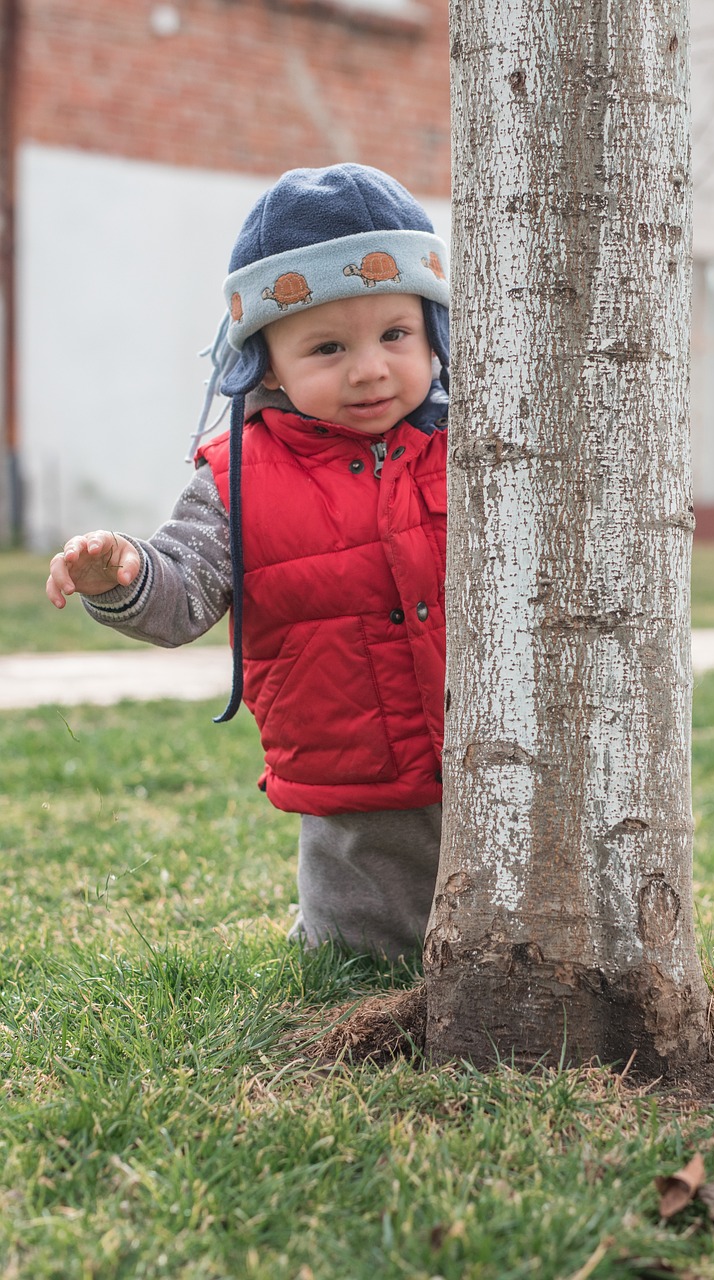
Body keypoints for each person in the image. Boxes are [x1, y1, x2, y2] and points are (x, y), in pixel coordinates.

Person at [46, 164, 450, 958]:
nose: (369, 368)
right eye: (327, 347)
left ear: (433, 329)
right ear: (263, 364)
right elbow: (184, 589)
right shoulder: (238, 476)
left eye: (395, 335)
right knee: (360, 953)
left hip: (497, 760)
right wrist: (123, 572)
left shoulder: (482, 446)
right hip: (353, 779)